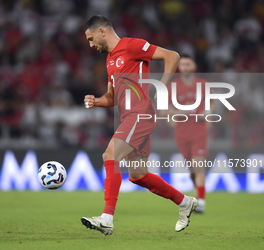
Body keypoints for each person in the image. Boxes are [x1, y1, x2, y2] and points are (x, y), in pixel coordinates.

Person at [81, 15, 197, 236]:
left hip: (140, 114)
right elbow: (112, 97)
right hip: (130, 117)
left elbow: (172, 56)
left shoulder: (132, 45)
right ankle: (184, 202)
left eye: (91, 38)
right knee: (138, 175)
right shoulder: (110, 61)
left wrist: (161, 87)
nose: (90, 44)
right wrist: (96, 101)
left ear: (102, 32)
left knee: (110, 156)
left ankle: (107, 219)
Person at [163, 54, 216, 213]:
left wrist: (208, 113)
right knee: (192, 168)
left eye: (188, 64)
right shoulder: (173, 87)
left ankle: (200, 202)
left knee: (199, 164)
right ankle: (197, 192)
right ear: (179, 68)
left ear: (194, 66)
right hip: (182, 133)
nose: (185, 67)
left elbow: (212, 103)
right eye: (183, 64)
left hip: (199, 131)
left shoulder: (203, 84)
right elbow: (165, 111)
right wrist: (178, 113)